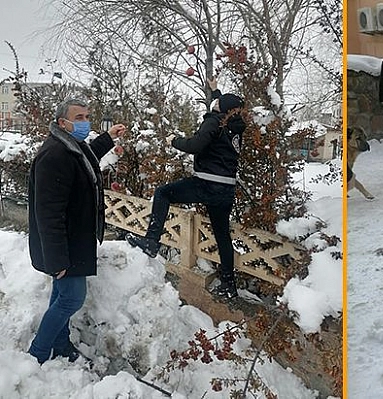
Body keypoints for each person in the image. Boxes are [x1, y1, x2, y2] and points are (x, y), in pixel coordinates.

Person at [126, 77, 246, 299]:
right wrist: (215, 90)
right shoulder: (235, 126)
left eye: (217, 104)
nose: (214, 105)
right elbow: (223, 104)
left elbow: (195, 145)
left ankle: (151, 241)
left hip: (206, 184)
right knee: (222, 236)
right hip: (226, 190)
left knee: (163, 193)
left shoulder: (214, 121)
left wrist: (174, 140)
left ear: (222, 109)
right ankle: (229, 285)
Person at [28, 98, 126, 364]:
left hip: (74, 238)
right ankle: (37, 353)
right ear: (63, 122)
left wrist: (108, 137)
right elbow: (47, 213)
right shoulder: (54, 155)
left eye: (86, 116)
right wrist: (57, 259)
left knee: (61, 294)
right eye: (79, 117)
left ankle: (60, 343)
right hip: (65, 243)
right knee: (72, 298)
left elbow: (87, 155)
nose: (85, 122)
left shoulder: (69, 145)